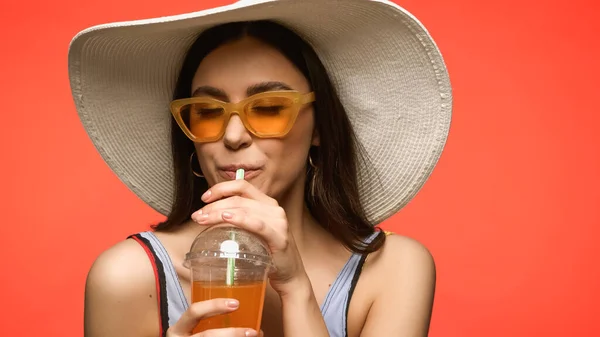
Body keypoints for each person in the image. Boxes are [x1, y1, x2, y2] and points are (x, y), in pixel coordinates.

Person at [68, 1, 452, 336]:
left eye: (268, 108)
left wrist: (296, 288)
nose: (233, 136)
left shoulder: (393, 270)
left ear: (319, 127)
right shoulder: (127, 279)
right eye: (207, 112)